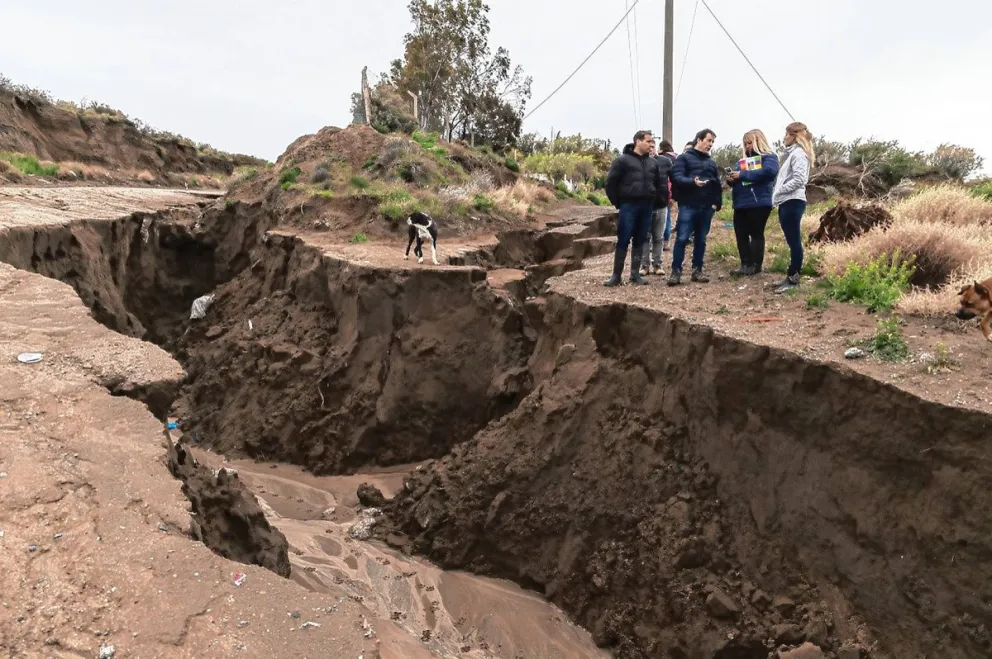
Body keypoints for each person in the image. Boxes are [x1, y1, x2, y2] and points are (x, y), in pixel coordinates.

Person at [603, 130, 668, 287]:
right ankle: (616, 276)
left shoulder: (653, 163)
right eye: (648, 141)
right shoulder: (622, 161)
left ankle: (634, 274)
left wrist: (657, 200)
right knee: (624, 239)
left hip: (647, 207)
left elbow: (659, 185)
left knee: (640, 239)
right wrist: (619, 203)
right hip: (629, 206)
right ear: (638, 141)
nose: (651, 144)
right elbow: (610, 183)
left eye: (652, 142)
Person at [668, 128, 722, 286]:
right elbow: (676, 177)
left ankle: (697, 270)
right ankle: (676, 272)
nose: (710, 144)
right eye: (708, 140)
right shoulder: (684, 158)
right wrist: (692, 182)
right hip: (688, 205)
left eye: (712, 142)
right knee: (682, 238)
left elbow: (716, 184)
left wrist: (716, 204)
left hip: (706, 207)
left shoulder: (711, 162)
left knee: (701, 239)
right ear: (699, 140)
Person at [726, 129, 779, 276]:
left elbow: (769, 172)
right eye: (745, 144)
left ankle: (755, 265)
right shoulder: (741, 162)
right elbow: (738, 179)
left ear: (758, 141)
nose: (747, 146)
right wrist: (731, 179)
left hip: (759, 202)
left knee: (756, 233)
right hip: (741, 202)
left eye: (750, 143)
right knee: (740, 233)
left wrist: (742, 174)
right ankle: (745, 264)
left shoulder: (769, 157)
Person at [772, 121, 815, 293]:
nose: (784, 138)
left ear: (794, 135)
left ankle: (793, 279)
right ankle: (790, 276)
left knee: (794, 241)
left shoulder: (798, 154)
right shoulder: (795, 153)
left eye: (786, 134)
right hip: (788, 201)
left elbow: (799, 180)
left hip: (792, 201)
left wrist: (779, 191)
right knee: (792, 241)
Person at [640, 139, 677, 276]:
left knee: (659, 237)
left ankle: (657, 264)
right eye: (648, 146)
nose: (651, 149)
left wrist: (674, 196)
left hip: (661, 204)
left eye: (653, 146)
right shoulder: (638, 161)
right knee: (644, 237)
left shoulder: (665, 161)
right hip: (644, 206)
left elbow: (674, 180)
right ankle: (644, 266)